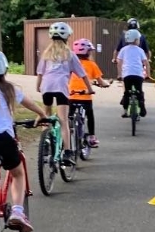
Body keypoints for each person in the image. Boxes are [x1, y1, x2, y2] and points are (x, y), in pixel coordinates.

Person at [0, 49, 48, 232]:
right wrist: (42, 114)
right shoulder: (9, 88)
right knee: (17, 172)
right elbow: (29, 103)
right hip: (3, 138)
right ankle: (18, 212)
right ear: (4, 68)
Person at [36, 22, 94, 165]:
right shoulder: (70, 54)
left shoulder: (46, 53)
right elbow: (82, 74)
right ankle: (67, 152)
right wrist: (90, 88)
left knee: (46, 116)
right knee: (63, 120)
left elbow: (40, 73)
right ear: (67, 37)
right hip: (61, 87)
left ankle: (45, 145)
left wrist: (38, 87)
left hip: (47, 87)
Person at [68, 38, 110, 148]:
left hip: (71, 95)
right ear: (87, 52)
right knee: (90, 115)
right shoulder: (92, 64)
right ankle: (92, 137)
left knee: (69, 117)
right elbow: (101, 81)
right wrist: (106, 84)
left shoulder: (70, 63)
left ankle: (67, 137)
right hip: (85, 96)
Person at [117, 29, 151, 118]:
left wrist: (120, 74)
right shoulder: (140, 50)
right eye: (139, 39)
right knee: (139, 92)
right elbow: (146, 63)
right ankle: (142, 107)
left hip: (127, 75)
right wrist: (148, 74)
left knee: (126, 93)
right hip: (138, 74)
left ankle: (125, 111)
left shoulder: (123, 50)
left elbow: (119, 62)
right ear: (136, 40)